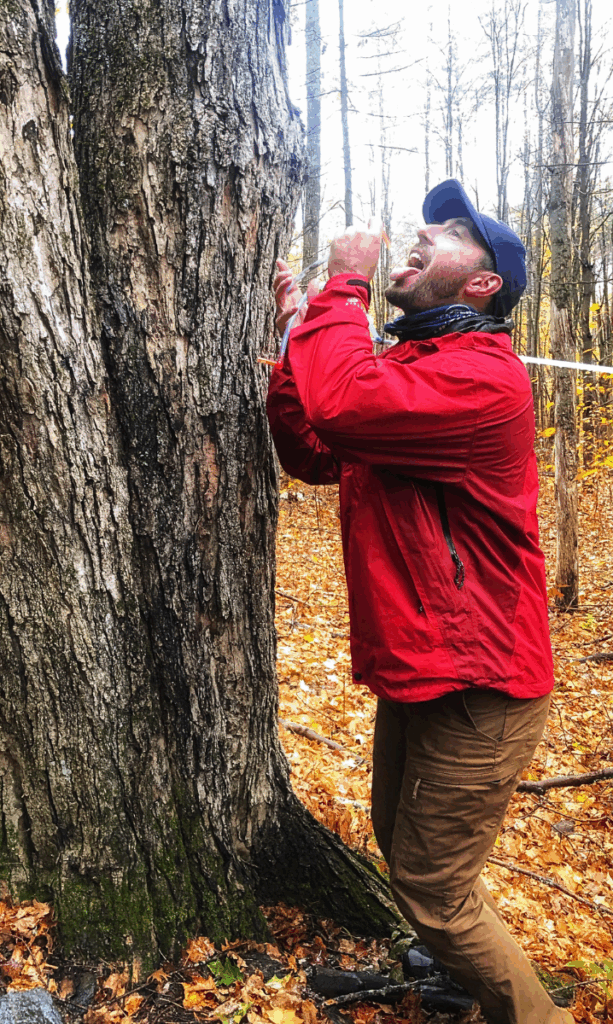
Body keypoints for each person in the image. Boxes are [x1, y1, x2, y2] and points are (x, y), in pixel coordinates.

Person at [267, 179, 573, 1024]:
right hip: (423, 666)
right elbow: (316, 448)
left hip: (483, 682)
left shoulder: (481, 380)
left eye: (446, 233)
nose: (421, 233)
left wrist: (343, 287)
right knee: (407, 854)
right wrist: (301, 337)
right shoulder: (414, 367)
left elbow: (341, 403)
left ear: (481, 284)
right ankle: (453, 980)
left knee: (433, 885)